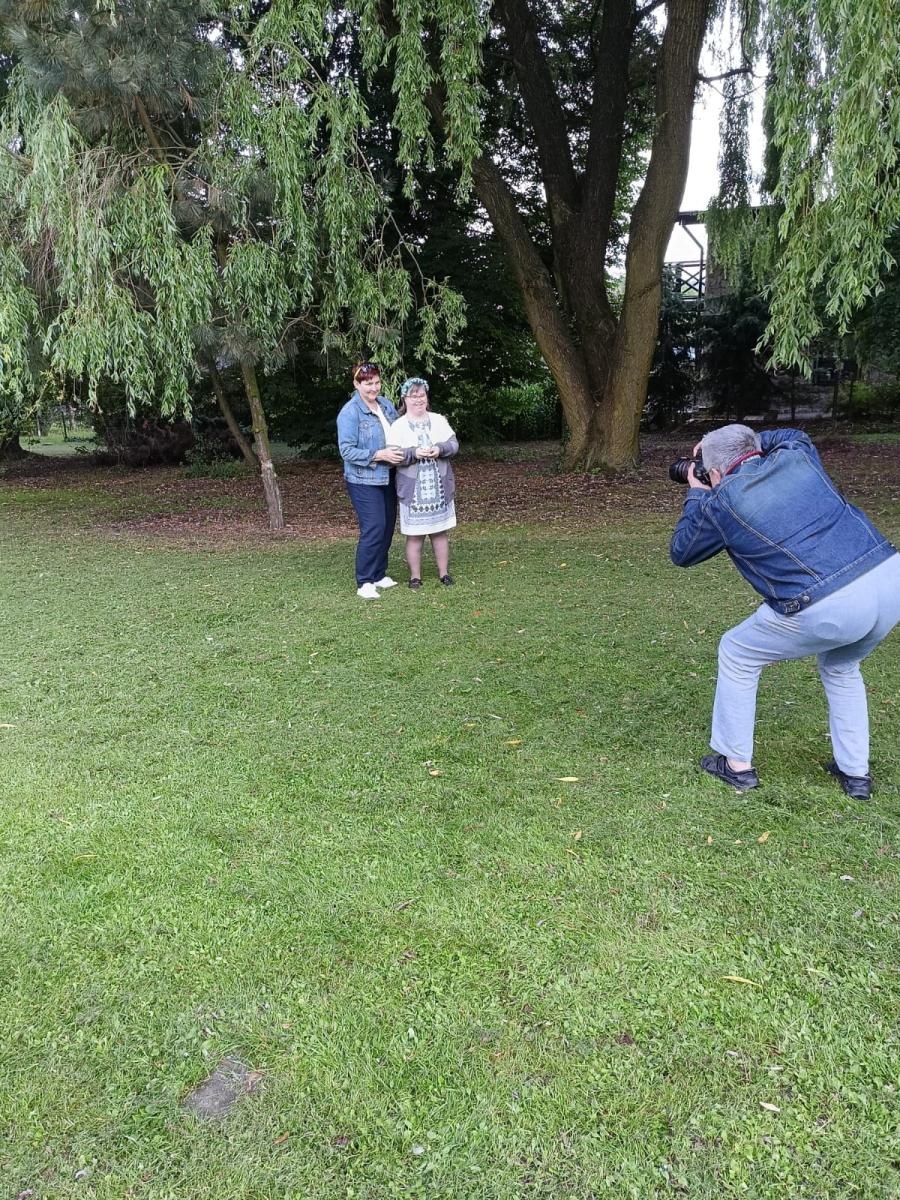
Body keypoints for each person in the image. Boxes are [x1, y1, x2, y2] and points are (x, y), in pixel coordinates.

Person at [670, 424, 900, 799]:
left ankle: (735, 763)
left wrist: (697, 495)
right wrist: (740, 441)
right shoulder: (797, 455)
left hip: (830, 604)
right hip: (889, 577)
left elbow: (682, 551)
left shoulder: (721, 500)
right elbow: (791, 433)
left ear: (713, 473)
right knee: (841, 667)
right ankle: (855, 774)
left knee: (737, 651)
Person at [336, 363, 403, 599]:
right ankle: (364, 581)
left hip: (388, 476)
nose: (374, 387)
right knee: (374, 526)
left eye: (376, 382)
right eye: (368, 383)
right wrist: (379, 454)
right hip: (363, 479)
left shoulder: (385, 404)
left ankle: (378, 574)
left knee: (386, 526)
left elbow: (398, 431)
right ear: (356, 384)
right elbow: (346, 451)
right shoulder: (350, 412)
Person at [388, 377, 459, 588]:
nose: (418, 399)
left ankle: (444, 573)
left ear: (427, 398)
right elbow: (393, 455)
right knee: (415, 535)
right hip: (414, 492)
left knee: (439, 532)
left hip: (439, 489)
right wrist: (414, 452)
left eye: (422, 395)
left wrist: (439, 449)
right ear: (405, 399)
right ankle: (415, 577)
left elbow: (454, 445)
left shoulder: (438, 420)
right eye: (413, 395)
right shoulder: (398, 426)